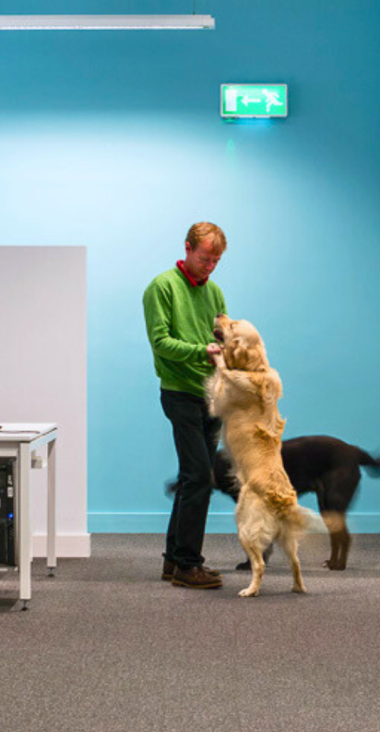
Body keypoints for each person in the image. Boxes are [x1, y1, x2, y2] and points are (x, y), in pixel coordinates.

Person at [144, 222, 230, 590]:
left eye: (216, 261)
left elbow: (223, 335)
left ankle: (173, 560)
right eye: (205, 258)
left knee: (191, 478)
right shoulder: (162, 287)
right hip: (179, 392)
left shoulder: (215, 292)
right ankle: (188, 565)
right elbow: (160, 342)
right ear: (187, 248)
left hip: (213, 395)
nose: (209, 267)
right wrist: (201, 351)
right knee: (199, 477)